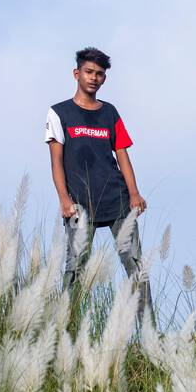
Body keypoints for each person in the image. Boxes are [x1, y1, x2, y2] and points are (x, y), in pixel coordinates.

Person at [43, 46, 153, 324]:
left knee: (137, 267)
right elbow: (56, 161)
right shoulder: (59, 113)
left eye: (100, 74)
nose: (94, 78)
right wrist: (64, 200)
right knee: (76, 269)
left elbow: (123, 155)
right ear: (76, 73)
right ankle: (66, 331)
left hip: (117, 201)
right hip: (79, 204)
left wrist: (134, 193)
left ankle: (151, 333)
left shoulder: (110, 113)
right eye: (89, 72)